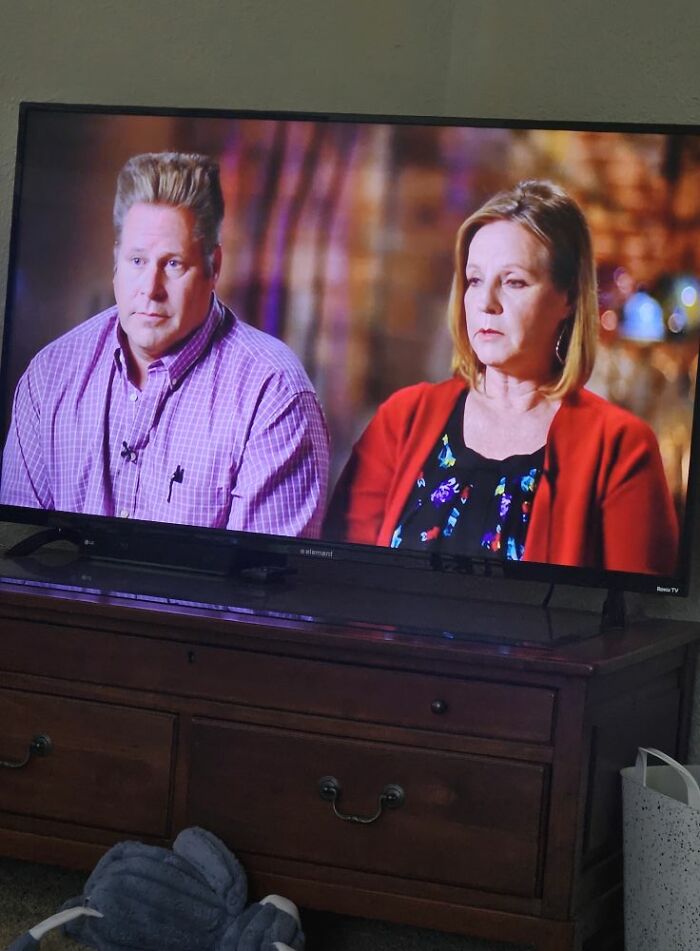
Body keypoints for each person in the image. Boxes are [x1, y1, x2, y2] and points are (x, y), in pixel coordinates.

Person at [325, 180, 678, 575]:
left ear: (569, 299)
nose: (486, 303)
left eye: (514, 282)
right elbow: (342, 579)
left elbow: (637, 620)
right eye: (475, 280)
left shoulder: (620, 448)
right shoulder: (403, 417)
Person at [0, 152, 329, 538]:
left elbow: (260, 591)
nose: (151, 290)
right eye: (137, 260)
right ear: (115, 262)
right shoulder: (50, 376)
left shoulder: (273, 396)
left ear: (214, 267)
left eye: (173, 264)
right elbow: (17, 559)